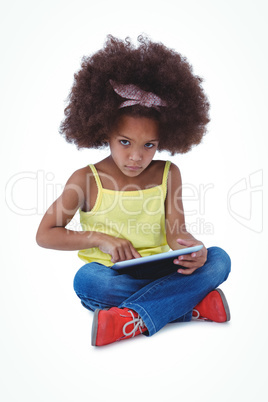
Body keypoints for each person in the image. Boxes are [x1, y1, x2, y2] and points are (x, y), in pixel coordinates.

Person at [36, 35, 231, 347]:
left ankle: (128, 319)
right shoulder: (86, 179)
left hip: (162, 271)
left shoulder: (168, 173)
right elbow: (45, 233)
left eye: (149, 145)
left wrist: (194, 248)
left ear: (163, 139)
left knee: (220, 259)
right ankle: (189, 306)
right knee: (87, 281)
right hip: (111, 277)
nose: (136, 156)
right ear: (105, 132)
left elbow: (175, 232)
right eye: (125, 142)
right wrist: (100, 239)